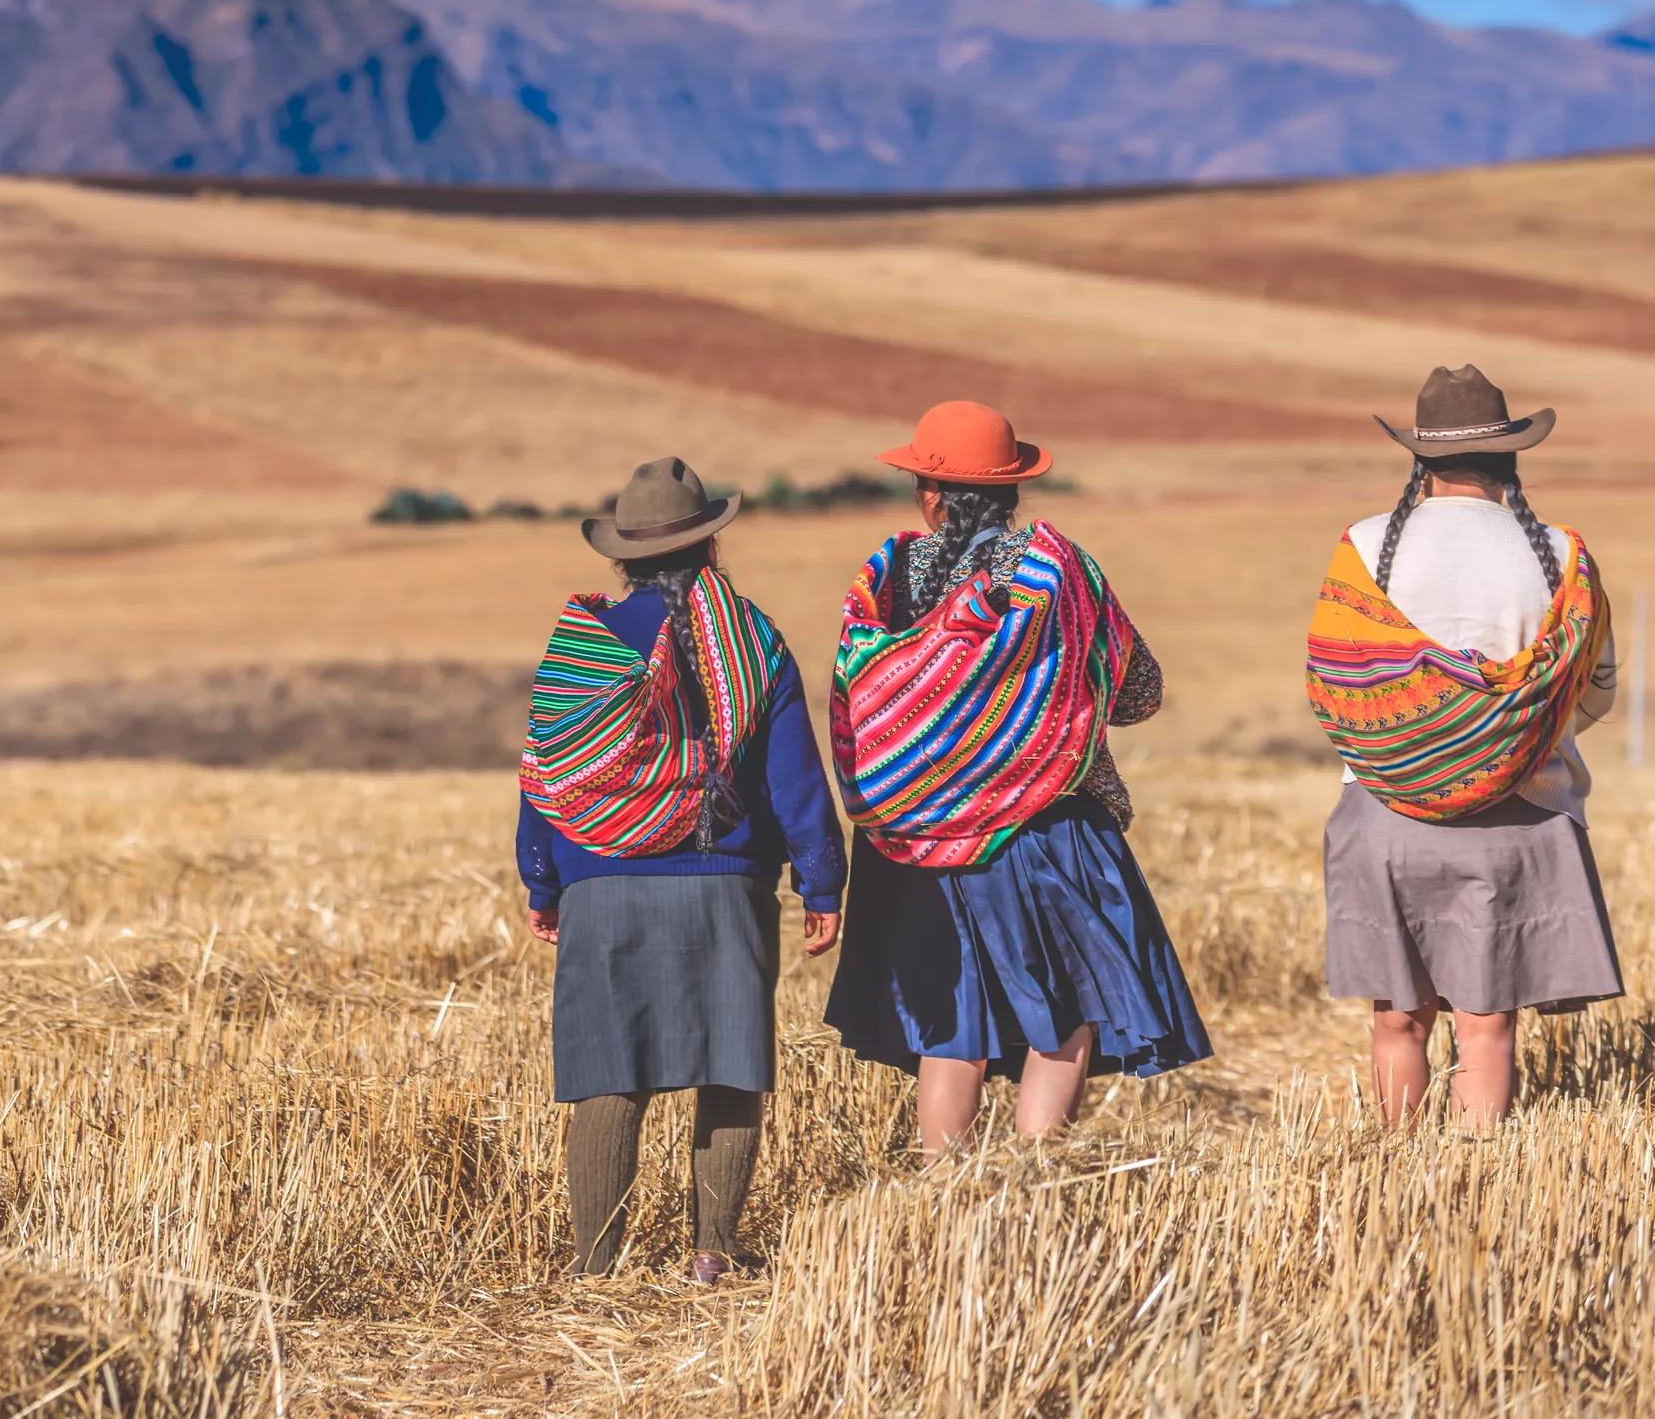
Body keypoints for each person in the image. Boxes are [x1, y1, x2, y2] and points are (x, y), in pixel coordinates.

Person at [823, 401, 1212, 1158]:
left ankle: (942, 1190)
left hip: (910, 844)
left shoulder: (887, 578)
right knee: (1069, 1012)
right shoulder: (1056, 569)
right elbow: (1138, 691)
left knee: (952, 1026)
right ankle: (1029, 1178)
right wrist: (1046, 712)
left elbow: (862, 693)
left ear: (931, 492)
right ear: (1011, 490)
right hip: (1045, 835)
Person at [517, 456, 844, 1284]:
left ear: (621, 554)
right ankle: (712, 1253)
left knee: (606, 1071)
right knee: (731, 1063)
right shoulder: (753, 640)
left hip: (602, 884)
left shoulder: (580, 648)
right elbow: (794, 779)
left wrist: (544, 881)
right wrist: (822, 880)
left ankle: (598, 1268)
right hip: (723, 883)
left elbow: (548, 779)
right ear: (709, 547)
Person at [1305, 365, 1623, 1130]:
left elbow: (1332, 679)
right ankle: (1474, 1180)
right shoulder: (1561, 555)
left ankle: (1396, 1170)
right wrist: (1508, 736)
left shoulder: (1363, 546)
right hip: (1524, 812)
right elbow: (1597, 689)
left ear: (1422, 458)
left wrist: (1420, 738)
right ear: (1512, 456)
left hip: (1383, 810)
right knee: (1487, 1024)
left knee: (1397, 1020)